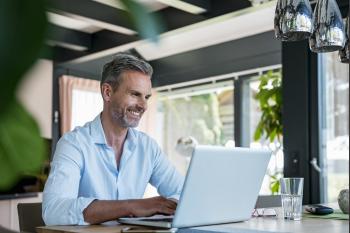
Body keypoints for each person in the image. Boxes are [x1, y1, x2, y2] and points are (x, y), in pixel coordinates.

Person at [42, 53, 184, 225]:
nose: (143, 106)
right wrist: (132, 206)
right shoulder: (73, 144)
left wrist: (161, 208)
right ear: (107, 92)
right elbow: (54, 211)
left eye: (146, 97)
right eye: (134, 94)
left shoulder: (148, 148)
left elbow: (183, 192)